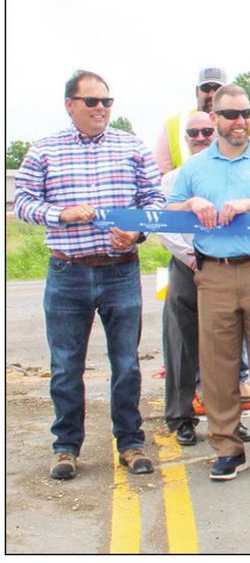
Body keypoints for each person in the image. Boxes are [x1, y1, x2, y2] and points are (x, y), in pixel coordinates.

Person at [14, 70, 165, 480]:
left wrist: (136, 232)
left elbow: (154, 201)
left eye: (107, 102)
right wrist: (57, 214)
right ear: (70, 105)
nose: (101, 109)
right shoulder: (45, 150)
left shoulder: (131, 147)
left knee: (127, 364)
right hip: (67, 270)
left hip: (120, 270)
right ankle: (66, 447)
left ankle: (131, 443)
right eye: (92, 102)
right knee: (65, 366)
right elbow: (22, 202)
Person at [166, 84, 250, 482]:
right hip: (215, 273)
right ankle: (226, 448)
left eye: (244, 113)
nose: (239, 121)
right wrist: (191, 203)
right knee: (218, 366)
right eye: (230, 114)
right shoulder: (194, 168)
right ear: (214, 119)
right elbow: (170, 208)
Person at [160, 112, 250, 447]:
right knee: (183, 348)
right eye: (193, 133)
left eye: (205, 131)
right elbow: (165, 226)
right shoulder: (173, 179)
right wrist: (192, 260)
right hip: (187, 266)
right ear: (185, 138)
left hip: (224, 268)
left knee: (225, 348)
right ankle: (182, 418)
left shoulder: (230, 174)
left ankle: (227, 420)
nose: (200, 137)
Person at [154, 66, 250, 174]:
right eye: (206, 88)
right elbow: (161, 175)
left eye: (217, 88)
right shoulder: (174, 124)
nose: (212, 94)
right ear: (197, 91)